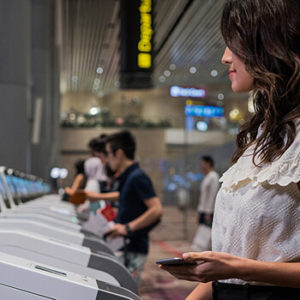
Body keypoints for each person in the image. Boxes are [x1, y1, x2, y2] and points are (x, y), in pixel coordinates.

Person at [159, 0, 300, 299]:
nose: (224, 57)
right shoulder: (261, 135)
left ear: (268, 45)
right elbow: (226, 273)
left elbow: (236, 268)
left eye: (234, 44)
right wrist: (226, 270)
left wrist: (239, 268)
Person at [86, 130, 163, 283]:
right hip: (125, 245)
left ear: (119, 153)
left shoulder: (137, 177)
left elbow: (156, 209)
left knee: (127, 290)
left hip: (133, 247)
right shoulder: (127, 177)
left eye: (108, 153)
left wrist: (127, 227)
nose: (106, 160)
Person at [191, 156, 219, 252]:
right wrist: (200, 212)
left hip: (209, 211)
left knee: (208, 234)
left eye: (203, 163)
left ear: (208, 164)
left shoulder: (213, 176)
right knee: (203, 232)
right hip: (203, 210)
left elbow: (212, 196)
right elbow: (203, 197)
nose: (201, 166)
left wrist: (208, 212)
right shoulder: (207, 177)